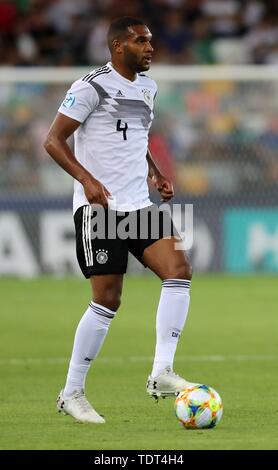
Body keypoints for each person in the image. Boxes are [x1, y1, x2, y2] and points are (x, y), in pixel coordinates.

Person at [44, 16, 194, 425]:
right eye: (140, 41)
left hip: (138, 204)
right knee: (107, 299)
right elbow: (53, 141)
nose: (150, 47)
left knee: (179, 270)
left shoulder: (149, 86)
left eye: (151, 41)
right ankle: (72, 392)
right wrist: (87, 180)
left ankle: (161, 371)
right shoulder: (89, 86)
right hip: (99, 209)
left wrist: (156, 171)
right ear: (117, 47)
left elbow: (136, 136)